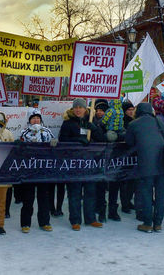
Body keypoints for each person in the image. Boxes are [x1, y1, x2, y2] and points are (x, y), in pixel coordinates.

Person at [59, 98, 104, 231]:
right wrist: (77, 139)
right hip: (74, 163)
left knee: (90, 192)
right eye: (76, 107)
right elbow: (63, 140)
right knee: (74, 193)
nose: (78, 109)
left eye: (80, 107)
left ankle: (90, 218)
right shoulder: (68, 123)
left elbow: (102, 139)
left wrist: (94, 129)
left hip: (90, 162)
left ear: (86, 109)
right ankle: (75, 220)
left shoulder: (92, 121)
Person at [125, 102, 164, 233]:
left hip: (146, 165)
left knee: (147, 194)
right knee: (160, 195)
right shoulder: (159, 122)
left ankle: (147, 223)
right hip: (163, 163)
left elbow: (129, 142)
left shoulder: (134, 124)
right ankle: (158, 224)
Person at [19, 109, 54, 233]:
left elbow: (54, 148)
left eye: (38, 118)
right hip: (29, 170)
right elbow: (19, 150)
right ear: (29, 120)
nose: (36, 120)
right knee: (28, 198)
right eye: (33, 118)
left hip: (43, 170)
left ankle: (44, 222)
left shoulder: (47, 131)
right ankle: (25, 223)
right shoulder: (24, 133)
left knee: (44, 197)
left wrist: (54, 145)